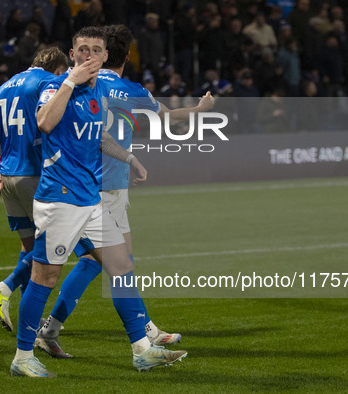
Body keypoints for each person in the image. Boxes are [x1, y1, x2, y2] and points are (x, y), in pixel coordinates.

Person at [10, 26, 187, 378]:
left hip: (90, 199)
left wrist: (129, 159)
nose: (89, 55)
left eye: (96, 50)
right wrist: (69, 82)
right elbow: (44, 122)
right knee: (44, 277)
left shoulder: (100, 92)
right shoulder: (54, 86)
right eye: (82, 50)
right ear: (73, 54)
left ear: (106, 56)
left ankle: (141, 350)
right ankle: (22, 356)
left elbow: (99, 135)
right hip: (61, 200)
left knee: (120, 267)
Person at [35, 24, 215, 358]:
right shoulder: (129, 90)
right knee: (114, 265)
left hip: (83, 182)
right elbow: (170, 119)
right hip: (103, 190)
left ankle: (141, 330)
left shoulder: (83, 82)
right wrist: (201, 110)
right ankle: (138, 340)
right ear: (128, 55)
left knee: (100, 262)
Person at [0, 47, 70, 332]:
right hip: (34, 173)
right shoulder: (48, 82)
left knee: (29, 247)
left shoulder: (5, 85)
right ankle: (4, 289)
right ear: (57, 68)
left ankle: (25, 318)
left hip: (7, 177)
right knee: (59, 241)